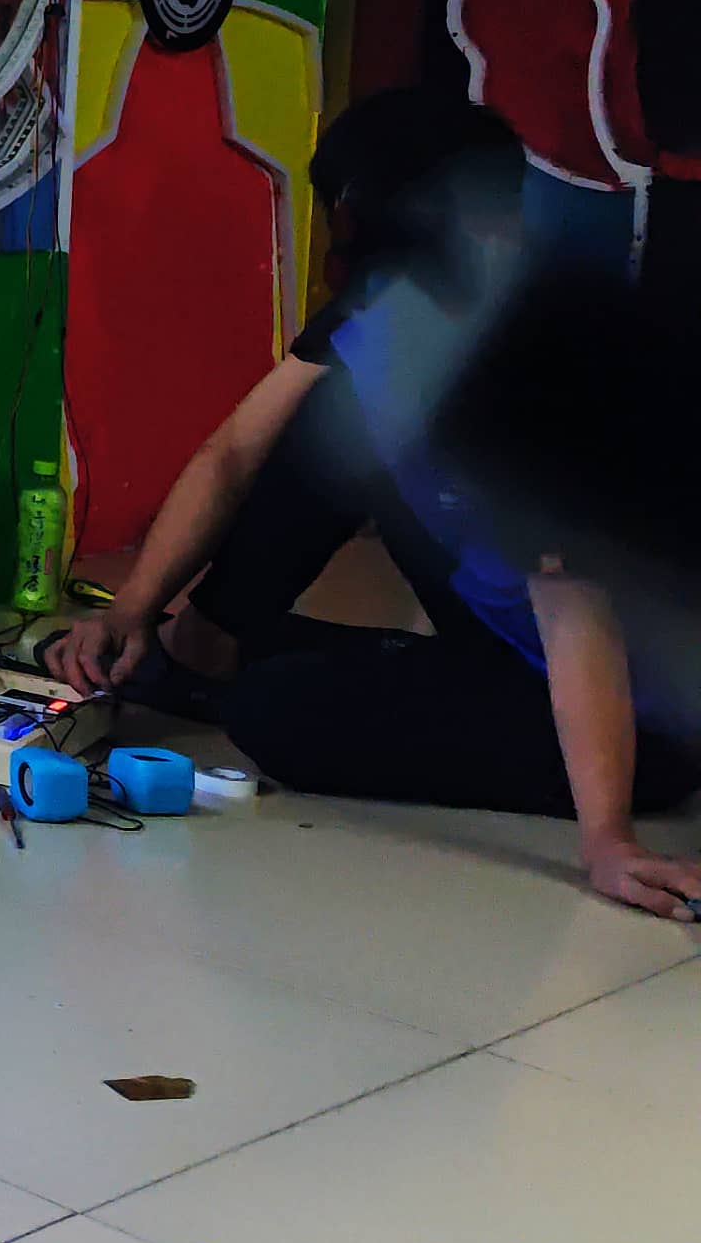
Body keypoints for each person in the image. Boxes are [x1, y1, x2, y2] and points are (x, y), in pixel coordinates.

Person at [44, 88, 701, 918]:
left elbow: (576, 614)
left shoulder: (548, 355)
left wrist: (609, 841)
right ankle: (199, 646)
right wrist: (131, 610)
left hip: (634, 718)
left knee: (277, 711)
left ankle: (233, 672)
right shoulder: (388, 312)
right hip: (502, 638)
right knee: (326, 414)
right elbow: (234, 454)